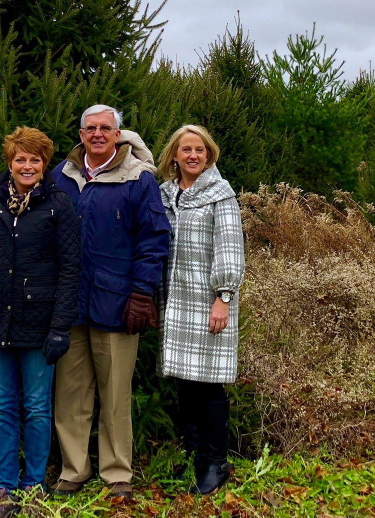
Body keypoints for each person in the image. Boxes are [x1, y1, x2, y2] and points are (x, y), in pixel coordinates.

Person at [0, 127, 81, 518]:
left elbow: (69, 270)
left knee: (37, 406)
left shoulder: (58, 206)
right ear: (9, 163)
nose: (27, 166)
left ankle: (33, 486)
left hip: (39, 323)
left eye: (35, 160)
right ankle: (4, 487)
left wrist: (60, 327)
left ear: (45, 165)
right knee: (4, 406)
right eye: (20, 159)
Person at [50, 105, 171, 502]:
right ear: (81, 134)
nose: (98, 134)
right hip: (69, 305)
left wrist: (142, 293)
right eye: (91, 128)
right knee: (70, 393)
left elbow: (154, 240)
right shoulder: (62, 177)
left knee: (115, 394)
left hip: (118, 304)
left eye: (106, 128)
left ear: (118, 135)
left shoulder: (138, 179)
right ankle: (73, 469)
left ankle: (117, 472)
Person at [156, 125, 245, 495]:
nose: (193, 155)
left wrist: (223, 298)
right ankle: (193, 456)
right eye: (186, 149)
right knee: (185, 384)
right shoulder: (165, 195)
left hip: (209, 302)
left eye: (200, 150)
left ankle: (215, 462)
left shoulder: (220, 195)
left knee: (209, 387)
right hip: (174, 304)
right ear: (174, 155)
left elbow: (230, 247)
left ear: (209, 155)